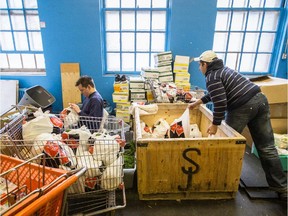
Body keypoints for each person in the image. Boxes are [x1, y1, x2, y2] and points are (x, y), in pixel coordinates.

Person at [188, 50, 287, 200]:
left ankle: (220, 183)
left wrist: (215, 124)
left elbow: (220, 102)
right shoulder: (224, 70)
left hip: (243, 106)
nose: (198, 68)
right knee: (267, 147)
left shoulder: (212, 76)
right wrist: (198, 102)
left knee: (227, 145)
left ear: (205, 64)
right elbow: (215, 94)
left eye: (199, 65)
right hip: (260, 100)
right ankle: (283, 188)